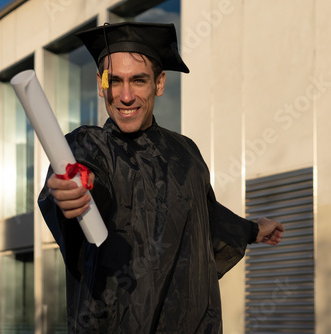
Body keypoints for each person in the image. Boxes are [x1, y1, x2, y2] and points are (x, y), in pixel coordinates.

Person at [38, 22, 284, 333]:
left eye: (138, 80)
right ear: (102, 86)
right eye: (114, 81)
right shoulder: (90, 145)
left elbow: (205, 217)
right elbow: (86, 177)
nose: (125, 96)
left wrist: (252, 228)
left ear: (160, 83)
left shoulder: (186, 153)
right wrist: (74, 189)